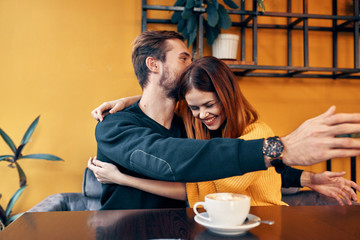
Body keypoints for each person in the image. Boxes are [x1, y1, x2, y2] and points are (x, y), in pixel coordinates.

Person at [93, 30, 360, 210]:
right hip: (124, 230)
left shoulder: (188, 122)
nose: (191, 65)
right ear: (154, 65)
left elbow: (231, 165)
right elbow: (168, 158)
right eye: (184, 58)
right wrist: (278, 147)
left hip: (180, 229)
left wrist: (307, 179)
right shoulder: (114, 125)